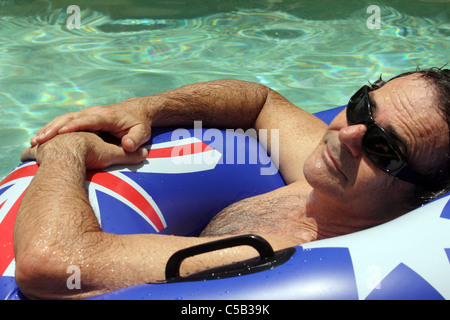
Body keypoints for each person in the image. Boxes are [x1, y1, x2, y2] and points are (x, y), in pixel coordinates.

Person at [15, 68, 449, 299]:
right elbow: (261, 102)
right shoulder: (331, 178)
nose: (348, 134)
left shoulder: (275, 256)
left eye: (383, 147)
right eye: (361, 107)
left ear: (423, 196)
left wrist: (64, 153)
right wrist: (145, 107)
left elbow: (48, 264)